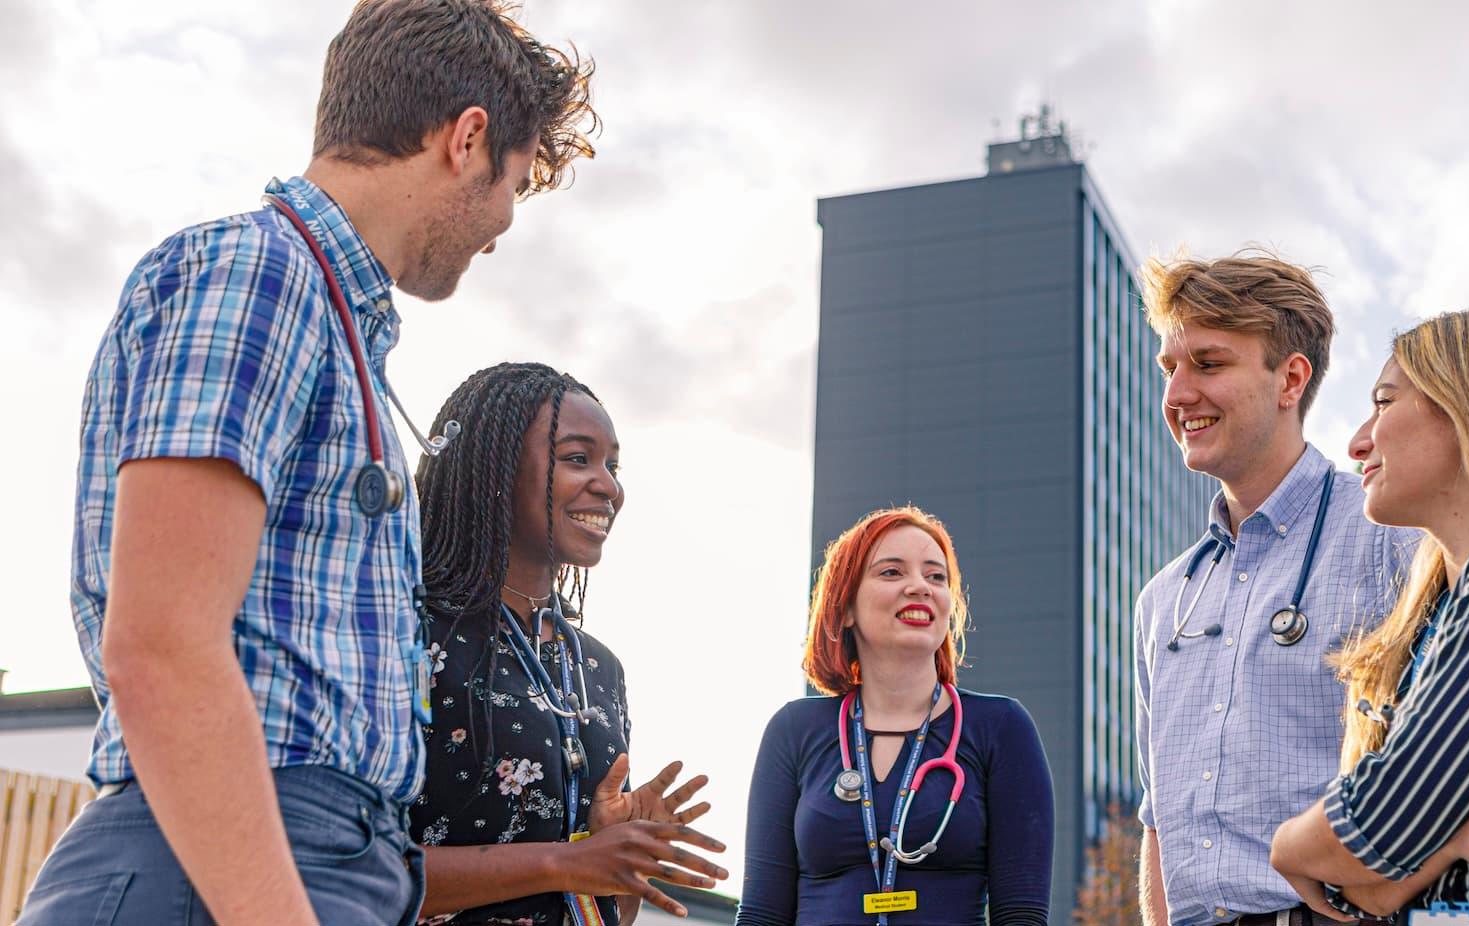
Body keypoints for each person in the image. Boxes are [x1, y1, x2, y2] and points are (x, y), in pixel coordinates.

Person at [19, 4, 598, 925]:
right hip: (230, 867)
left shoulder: (329, 323)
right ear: (467, 140)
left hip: (290, 862)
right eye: (514, 186)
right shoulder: (261, 272)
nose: (501, 227)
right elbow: (162, 647)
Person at [1133, 252, 1419, 926]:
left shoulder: (1392, 538)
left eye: (1208, 364)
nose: (1177, 395)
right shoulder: (1162, 600)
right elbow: (1158, 819)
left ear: (1290, 379)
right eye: (1170, 370)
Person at [408, 362, 728, 925]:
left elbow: (609, 909)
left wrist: (621, 851)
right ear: (496, 467)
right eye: (578, 458)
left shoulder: (598, 666)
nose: (608, 486)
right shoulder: (410, 633)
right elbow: (349, 866)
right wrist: (566, 861)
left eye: (613, 466)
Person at [1270, 308, 1469, 921]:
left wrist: (1288, 848)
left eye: (1384, 402)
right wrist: (1450, 836)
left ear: (1462, 405)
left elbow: (1375, 825)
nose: (1357, 442)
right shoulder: (1435, 617)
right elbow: (1365, 888)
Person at [735, 506, 1054, 926]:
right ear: (845, 606)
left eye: (936, 576)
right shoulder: (793, 730)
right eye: (891, 572)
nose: (920, 586)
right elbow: (761, 915)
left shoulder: (1001, 727)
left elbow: (1022, 916)